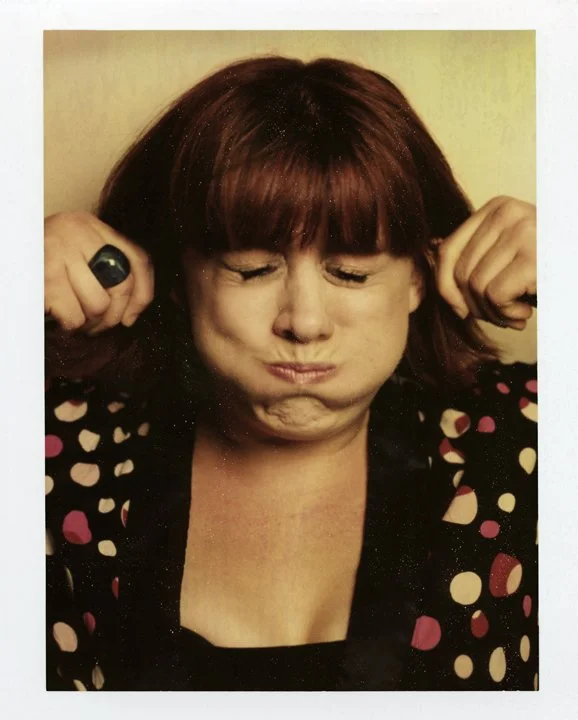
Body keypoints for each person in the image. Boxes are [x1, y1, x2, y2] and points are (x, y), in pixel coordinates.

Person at [44, 55, 537, 691]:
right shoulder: (54, 447)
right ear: (177, 278)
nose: (304, 322)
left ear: (419, 278)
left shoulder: (524, 437)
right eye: (251, 269)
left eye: (351, 273)